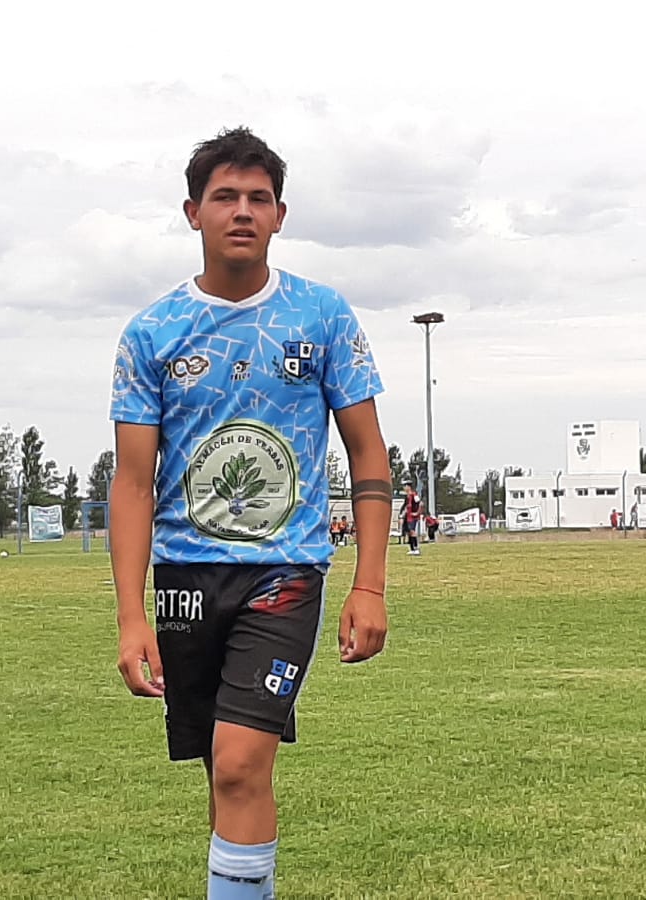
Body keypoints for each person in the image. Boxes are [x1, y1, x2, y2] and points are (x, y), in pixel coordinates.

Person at [108, 127, 392, 899]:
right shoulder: (152, 332)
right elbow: (132, 483)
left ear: (280, 215)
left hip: (283, 573)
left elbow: (368, 454)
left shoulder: (321, 316)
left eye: (258, 199)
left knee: (238, 763)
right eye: (225, 197)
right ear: (192, 212)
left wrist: (370, 584)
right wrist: (130, 618)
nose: (242, 211)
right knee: (224, 771)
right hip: (185, 578)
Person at [402, 483, 423, 555]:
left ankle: (416, 548)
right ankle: (412, 549)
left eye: (405, 486)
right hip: (407, 517)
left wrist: (417, 513)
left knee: (412, 531)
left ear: (409, 487)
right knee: (408, 532)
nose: (404, 488)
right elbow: (405, 506)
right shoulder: (407, 497)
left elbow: (421, 504)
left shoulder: (414, 495)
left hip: (412, 517)